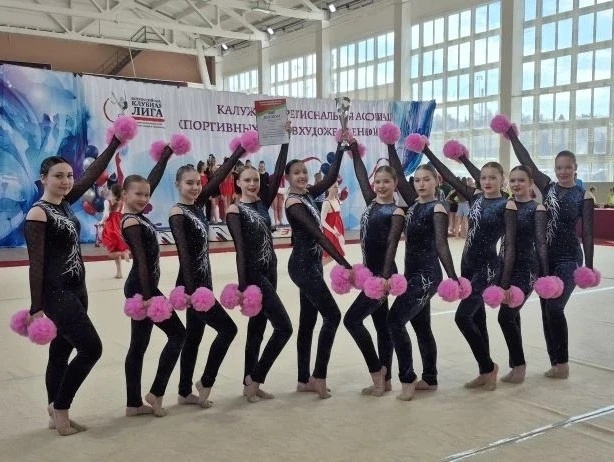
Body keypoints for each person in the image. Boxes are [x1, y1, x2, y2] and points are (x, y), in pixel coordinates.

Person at [25, 130, 125, 435]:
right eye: (58, 176)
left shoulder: (65, 203)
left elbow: (92, 173)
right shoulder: (38, 213)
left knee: (61, 352)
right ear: (43, 179)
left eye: (69, 175)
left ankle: (54, 412)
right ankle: (61, 407)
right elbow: (36, 263)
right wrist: (36, 307)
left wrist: (115, 143)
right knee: (91, 348)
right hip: (56, 293)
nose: (66, 181)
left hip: (78, 290)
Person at [419, 141, 516, 391]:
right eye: (483, 178)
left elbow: (510, 245)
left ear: (502, 180)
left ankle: (489, 367)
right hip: (468, 265)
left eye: (492, 177)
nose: (487, 181)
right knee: (478, 319)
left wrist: (504, 283)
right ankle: (484, 371)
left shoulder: (506, 205)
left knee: (462, 317)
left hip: (487, 268)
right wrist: (427, 150)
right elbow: (449, 176)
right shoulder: (475, 197)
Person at [505, 125, 594, 379]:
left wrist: (588, 267)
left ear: (575, 168)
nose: (563, 171)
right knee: (546, 310)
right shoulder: (548, 186)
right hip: (544, 258)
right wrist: (511, 135)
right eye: (559, 168)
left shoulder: (584, 195)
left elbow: (588, 234)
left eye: (568, 167)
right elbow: (527, 161)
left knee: (555, 308)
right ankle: (555, 363)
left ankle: (563, 363)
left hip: (569, 258)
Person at [170, 144, 248, 408]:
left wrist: (239, 151)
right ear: (178, 185)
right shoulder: (178, 213)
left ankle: (183, 392)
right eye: (188, 183)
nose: (194, 187)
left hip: (204, 282)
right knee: (228, 329)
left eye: (197, 183)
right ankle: (205, 381)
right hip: (193, 286)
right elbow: (184, 256)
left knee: (194, 337)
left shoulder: (197, 205)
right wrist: (195, 293)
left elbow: (219, 177)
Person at [387, 145, 463, 400]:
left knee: (394, 320)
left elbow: (441, 244)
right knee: (421, 326)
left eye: (426, 180)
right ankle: (430, 377)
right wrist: (390, 144)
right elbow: (398, 174)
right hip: (412, 274)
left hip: (427, 276)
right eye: (417, 180)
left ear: (436, 181)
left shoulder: (437, 208)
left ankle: (407, 378)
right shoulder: (414, 205)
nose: (421, 184)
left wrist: (453, 277)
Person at [226, 123, 293, 402]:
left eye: (255, 179)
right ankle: (256, 378)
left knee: (258, 329)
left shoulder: (262, 204)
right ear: (238, 183)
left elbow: (278, 172)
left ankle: (248, 383)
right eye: (247, 180)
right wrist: (244, 287)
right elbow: (240, 251)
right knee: (284, 328)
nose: (252, 184)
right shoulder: (235, 210)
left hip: (271, 270)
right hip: (254, 275)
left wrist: (285, 140)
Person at [285, 134, 353, 399]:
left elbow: (329, 178)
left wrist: (340, 147)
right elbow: (319, 236)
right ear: (288, 178)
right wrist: (344, 264)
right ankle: (319, 376)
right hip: (302, 266)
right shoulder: (293, 203)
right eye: (296, 173)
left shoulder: (306, 194)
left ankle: (303, 380)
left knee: (308, 321)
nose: (302, 176)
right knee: (332, 316)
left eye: (304, 171)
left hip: (312, 265)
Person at [121, 145, 186, 418]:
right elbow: (142, 262)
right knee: (178, 333)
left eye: (146, 194)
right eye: (138, 194)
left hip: (142, 285)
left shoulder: (137, 216)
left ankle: (133, 403)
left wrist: (166, 155)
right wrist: (149, 297)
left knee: (139, 345)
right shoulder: (131, 222)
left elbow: (152, 180)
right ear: (124, 194)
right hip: (142, 287)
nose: (144, 198)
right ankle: (155, 392)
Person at [343, 139, 404, 396]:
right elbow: (360, 175)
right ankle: (386, 379)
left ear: (395, 183)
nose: (380, 186)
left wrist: (385, 277)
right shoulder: (371, 203)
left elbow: (392, 245)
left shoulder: (396, 212)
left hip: (382, 276)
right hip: (372, 273)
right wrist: (353, 148)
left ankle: (377, 372)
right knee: (381, 326)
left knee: (352, 320)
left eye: (386, 182)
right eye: (377, 182)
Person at [497, 165, 548, 383]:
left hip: (526, 268)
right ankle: (516, 364)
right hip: (505, 267)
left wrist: (545, 275)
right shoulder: (505, 205)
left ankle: (519, 365)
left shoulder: (537, 209)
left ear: (530, 183)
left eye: (521, 180)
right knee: (512, 316)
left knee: (505, 316)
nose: (516, 184)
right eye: (513, 180)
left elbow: (541, 243)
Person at [100, 183, 130, 278]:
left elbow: (106, 215)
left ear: (111, 191)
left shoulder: (108, 202)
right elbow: (123, 213)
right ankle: (119, 273)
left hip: (112, 225)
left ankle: (124, 253)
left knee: (111, 253)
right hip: (120, 224)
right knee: (116, 249)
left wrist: (101, 222)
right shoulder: (122, 202)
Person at [320, 182, 345, 266]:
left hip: (338, 229)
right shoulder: (326, 203)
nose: (337, 189)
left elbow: (338, 216)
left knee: (339, 255)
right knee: (332, 256)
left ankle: (340, 272)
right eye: (334, 187)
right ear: (328, 188)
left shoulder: (337, 200)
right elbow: (322, 221)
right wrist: (333, 232)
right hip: (331, 232)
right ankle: (314, 269)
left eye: (337, 187)